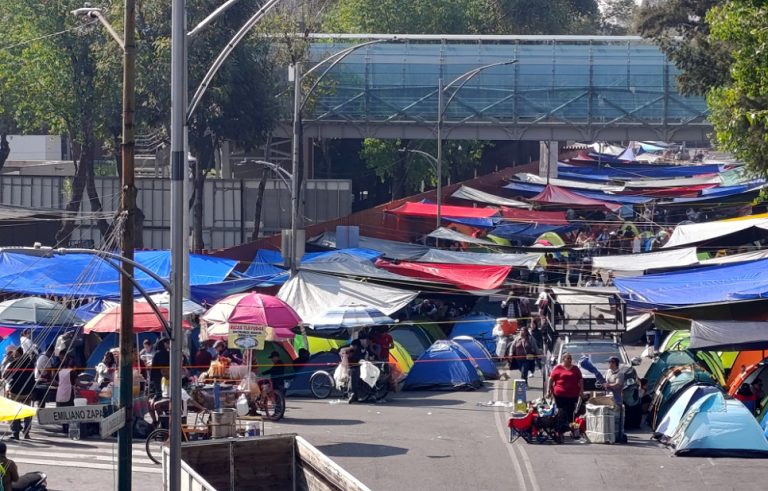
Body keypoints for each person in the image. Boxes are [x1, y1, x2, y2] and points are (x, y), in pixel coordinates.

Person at [546, 352, 583, 436]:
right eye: (568, 358)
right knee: (561, 412)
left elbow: (580, 380)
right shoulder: (558, 368)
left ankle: (570, 429)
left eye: (570, 358)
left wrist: (581, 391)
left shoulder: (576, 369)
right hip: (560, 395)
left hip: (572, 395)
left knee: (570, 413)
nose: (570, 360)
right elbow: (551, 379)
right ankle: (560, 431)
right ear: (563, 359)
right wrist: (548, 391)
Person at [3, 347, 36, 439]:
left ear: (18, 354)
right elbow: (33, 377)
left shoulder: (14, 363)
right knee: (27, 413)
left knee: (15, 412)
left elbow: (5, 375)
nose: (14, 356)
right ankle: (26, 432)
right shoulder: (31, 364)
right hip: (28, 391)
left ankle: (15, 433)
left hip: (15, 391)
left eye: (15, 354)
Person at [55, 355, 78, 434]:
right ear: (73, 366)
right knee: (69, 410)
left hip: (60, 392)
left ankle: (63, 427)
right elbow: (76, 383)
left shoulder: (61, 371)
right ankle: (67, 427)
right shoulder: (72, 372)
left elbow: (57, 381)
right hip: (68, 392)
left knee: (62, 410)